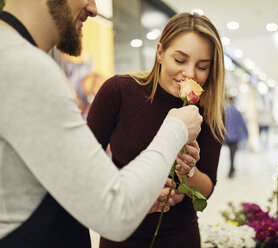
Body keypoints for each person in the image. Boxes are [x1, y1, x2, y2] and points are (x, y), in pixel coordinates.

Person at [0, 1, 203, 247]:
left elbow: (74, 188)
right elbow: (117, 212)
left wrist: (140, 190)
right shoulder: (25, 68)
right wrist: (176, 128)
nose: (94, 8)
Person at [87, 12, 226, 248]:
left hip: (180, 236)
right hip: (123, 235)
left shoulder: (209, 110)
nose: (190, 74)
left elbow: (207, 190)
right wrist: (128, 184)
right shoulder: (119, 91)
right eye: (180, 60)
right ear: (160, 52)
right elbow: (85, 163)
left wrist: (188, 171)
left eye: (202, 66)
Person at [224, 96, 248, 178]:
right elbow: (243, 124)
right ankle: (231, 170)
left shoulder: (225, 111)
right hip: (235, 137)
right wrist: (247, 134)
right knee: (232, 154)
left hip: (227, 137)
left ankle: (232, 168)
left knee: (231, 153)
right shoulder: (237, 112)